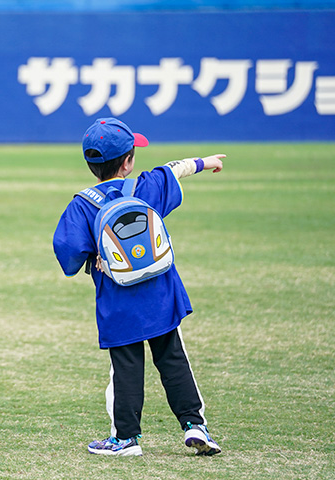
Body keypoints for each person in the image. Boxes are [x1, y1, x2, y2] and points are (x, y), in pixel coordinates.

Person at [53, 118, 224, 457]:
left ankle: (126, 439)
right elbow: (173, 170)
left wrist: (93, 259)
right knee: (173, 360)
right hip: (162, 296)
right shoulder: (146, 186)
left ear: (90, 165)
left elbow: (69, 256)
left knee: (126, 369)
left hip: (119, 304)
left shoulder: (81, 205)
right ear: (129, 161)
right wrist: (206, 163)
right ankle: (195, 425)